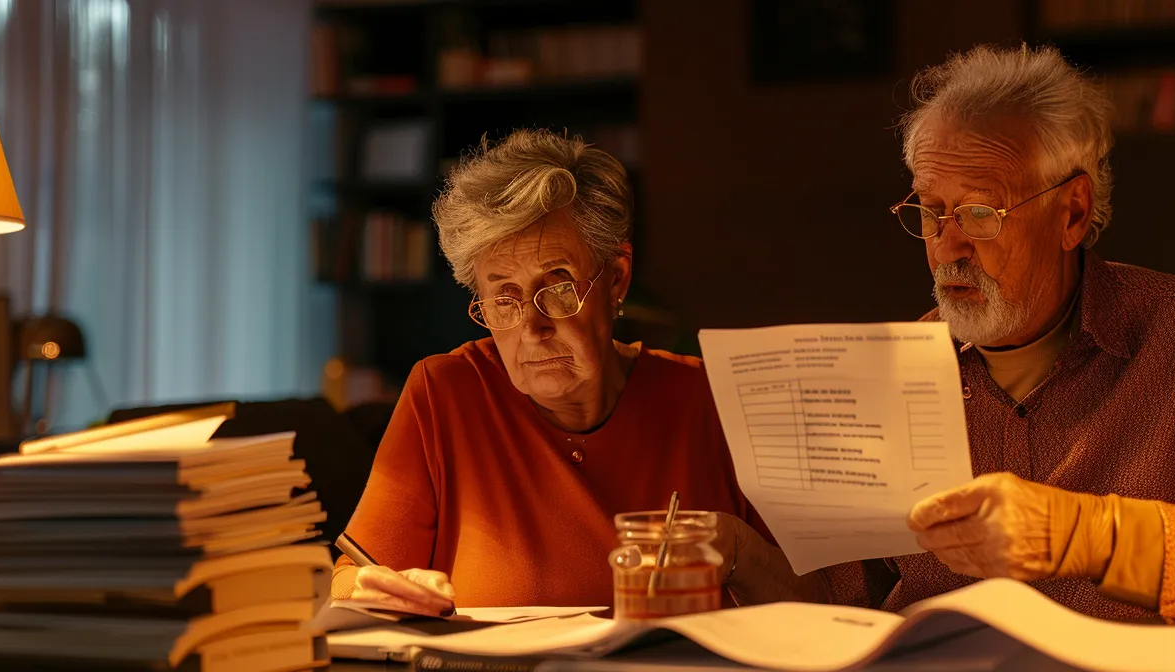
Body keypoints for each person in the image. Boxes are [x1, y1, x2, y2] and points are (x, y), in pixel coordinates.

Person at [824, 44, 1175, 621]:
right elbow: (842, 608)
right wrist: (739, 559)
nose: (948, 247)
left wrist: (1081, 534)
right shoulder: (893, 373)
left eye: (981, 214)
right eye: (931, 212)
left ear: (1072, 214)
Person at [334, 129, 827, 614]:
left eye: (559, 285)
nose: (532, 326)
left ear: (617, 278)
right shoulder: (444, 394)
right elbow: (350, 578)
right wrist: (372, 589)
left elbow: (825, 611)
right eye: (502, 295)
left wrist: (740, 551)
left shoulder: (713, 401)